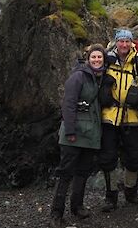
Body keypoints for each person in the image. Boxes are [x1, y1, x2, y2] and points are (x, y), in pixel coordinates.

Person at [50, 44, 105, 228]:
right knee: (65, 173)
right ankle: (56, 214)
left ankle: (77, 206)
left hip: (91, 134)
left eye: (100, 57)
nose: (97, 60)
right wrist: (71, 130)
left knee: (83, 171)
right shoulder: (78, 76)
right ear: (88, 59)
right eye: (94, 57)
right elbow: (68, 104)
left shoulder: (100, 78)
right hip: (73, 135)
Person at [99, 29, 138, 212]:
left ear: (131, 43)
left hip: (132, 116)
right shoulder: (107, 61)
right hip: (109, 116)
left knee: (134, 156)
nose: (124, 45)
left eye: (127, 41)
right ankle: (111, 197)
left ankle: (131, 193)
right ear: (116, 42)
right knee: (108, 157)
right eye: (121, 41)